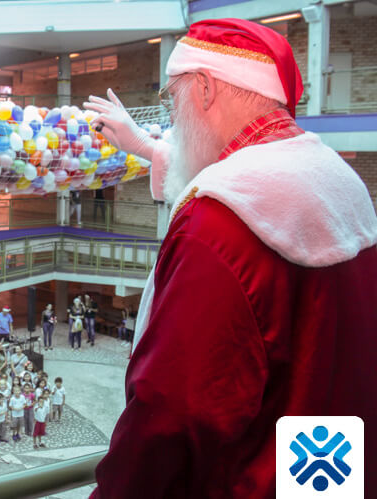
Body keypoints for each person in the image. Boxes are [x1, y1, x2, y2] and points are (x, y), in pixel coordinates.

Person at [84, 18, 377, 498]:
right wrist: (143, 147)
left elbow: (172, 414)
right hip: (329, 475)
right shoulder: (341, 180)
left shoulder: (216, 223)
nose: (173, 119)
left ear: (203, 89)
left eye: (172, 100)